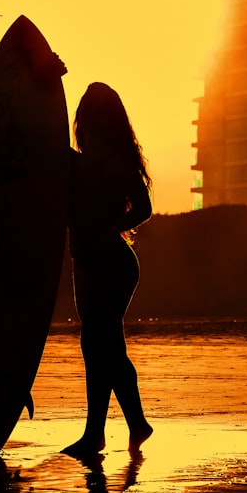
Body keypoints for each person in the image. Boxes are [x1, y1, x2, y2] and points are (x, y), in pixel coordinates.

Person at [63, 82, 153, 459]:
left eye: (93, 113)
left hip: (113, 265)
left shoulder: (116, 160)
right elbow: (41, 140)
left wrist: (108, 225)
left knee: (106, 348)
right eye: (84, 113)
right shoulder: (75, 161)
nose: (86, 121)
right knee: (96, 346)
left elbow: (144, 208)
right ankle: (104, 431)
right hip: (86, 264)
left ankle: (123, 427)